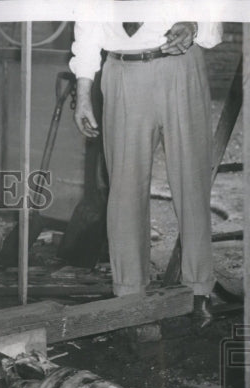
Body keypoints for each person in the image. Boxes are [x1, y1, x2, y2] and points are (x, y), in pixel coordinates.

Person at [69, 21, 222, 328]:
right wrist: (83, 92)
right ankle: (130, 295)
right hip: (123, 71)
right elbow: (87, 22)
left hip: (180, 67)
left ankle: (198, 290)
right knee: (124, 192)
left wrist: (195, 26)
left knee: (192, 184)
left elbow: (213, 9)